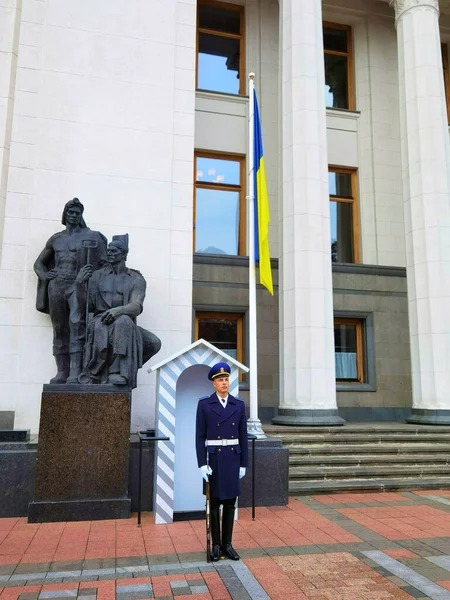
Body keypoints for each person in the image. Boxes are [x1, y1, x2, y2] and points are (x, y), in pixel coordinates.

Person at [34, 198, 108, 384]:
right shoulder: (56, 239)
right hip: (57, 284)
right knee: (59, 328)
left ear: (81, 215)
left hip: (77, 283)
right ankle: (62, 372)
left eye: (77, 213)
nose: (74, 216)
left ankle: (75, 372)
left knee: (77, 324)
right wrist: (45, 275)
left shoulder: (92, 236)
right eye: (71, 212)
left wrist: (91, 274)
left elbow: (104, 264)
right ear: (65, 215)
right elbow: (39, 263)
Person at [76, 234, 161, 387]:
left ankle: (122, 369)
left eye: (114, 251)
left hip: (123, 320)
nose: (110, 253)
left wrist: (119, 311)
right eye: (108, 250)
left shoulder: (135, 278)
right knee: (115, 323)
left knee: (152, 342)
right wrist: (80, 284)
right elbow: (86, 305)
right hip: (100, 320)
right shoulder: (97, 276)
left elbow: (136, 306)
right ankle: (110, 371)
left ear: (124, 254)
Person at [195, 362, 248, 561]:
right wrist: (201, 463)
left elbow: (243, 435)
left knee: (230, 504)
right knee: (215, 503)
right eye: (220, 380)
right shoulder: (204, 404)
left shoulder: (238, 405)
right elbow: (199, 436)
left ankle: (228, 544)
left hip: (232, 458)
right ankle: (216, 545)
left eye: (226, 379)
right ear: (213, 383)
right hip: (214, 459)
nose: (224, 383)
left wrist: (244, 463)